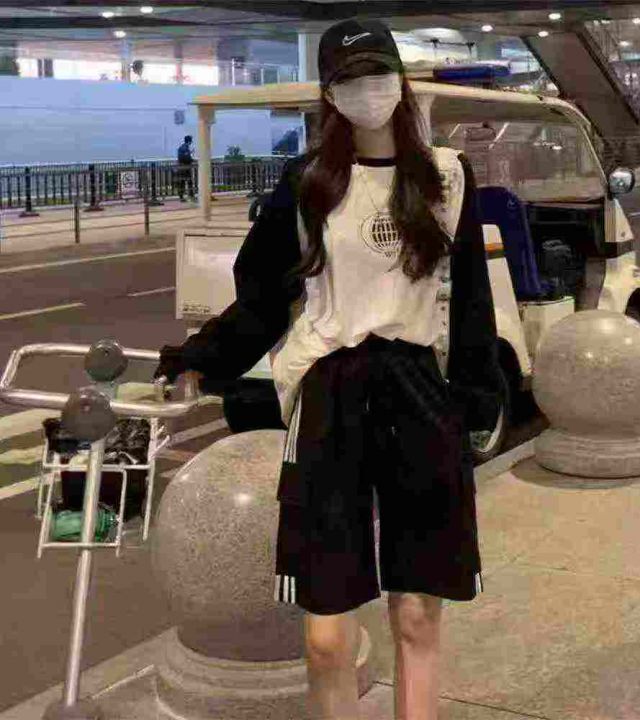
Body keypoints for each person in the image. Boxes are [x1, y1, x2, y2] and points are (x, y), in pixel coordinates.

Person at [154, 17, 502, 720]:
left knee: (417, 616)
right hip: (329, 392)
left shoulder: (447, 178)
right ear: (330, 93)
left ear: (399, 81)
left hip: (418, 389)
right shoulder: (308, 183)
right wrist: (196, 360)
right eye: (350, 79)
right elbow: (262, 298)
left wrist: (475, 399)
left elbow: (471, 300)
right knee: (324, 639)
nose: (367, 90)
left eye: (378, 74)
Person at [176, 134, 195, 201]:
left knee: (182, 182)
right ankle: (191, 196)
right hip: (185, 167)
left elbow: (182, 157)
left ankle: (182, 196)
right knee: (189, 182)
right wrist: (192, 160)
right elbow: (186, 158)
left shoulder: (181, 147)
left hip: (181, 167)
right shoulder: (185, 148)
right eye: (191, 141)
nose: (191, 142)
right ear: (189, 141)